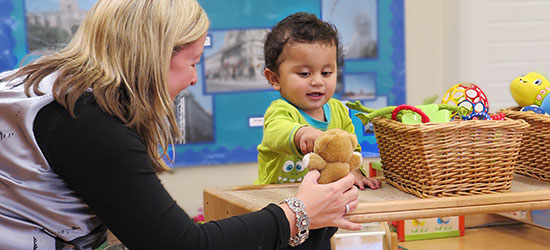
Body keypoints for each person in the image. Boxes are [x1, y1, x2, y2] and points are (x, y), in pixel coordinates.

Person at [0, 1, 362, 249]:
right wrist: (299, 213)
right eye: (192, 63)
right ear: (152, 57)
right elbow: (180, 244)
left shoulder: (50, 86)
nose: (192, 79)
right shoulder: (84, 118)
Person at [255, 12, 382, 190]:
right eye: (304, 74)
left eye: (326, 73)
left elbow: (351, 149)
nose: (317, 81)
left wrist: (355, 172)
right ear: (275, 78)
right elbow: (276, 133)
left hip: (326, 202)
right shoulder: (281, 110)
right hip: (281, 206)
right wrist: (301, 133)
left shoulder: (339, 110)